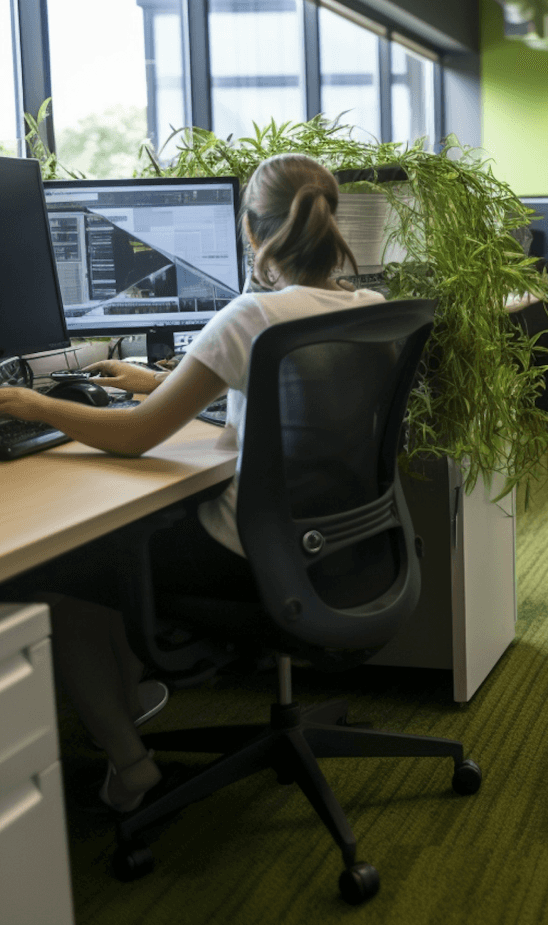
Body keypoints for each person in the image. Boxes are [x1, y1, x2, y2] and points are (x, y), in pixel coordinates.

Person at [0, 153, 385, 811]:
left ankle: (131, 765)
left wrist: (32, 405)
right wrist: (163, 382)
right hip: (338, 544)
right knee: (123, 540)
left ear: (252, 231)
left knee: (73, 581)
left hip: (254, 552)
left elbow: (135, 436)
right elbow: (256, 388)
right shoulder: (369, 306)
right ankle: (130, 705)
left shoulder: (249, 316)